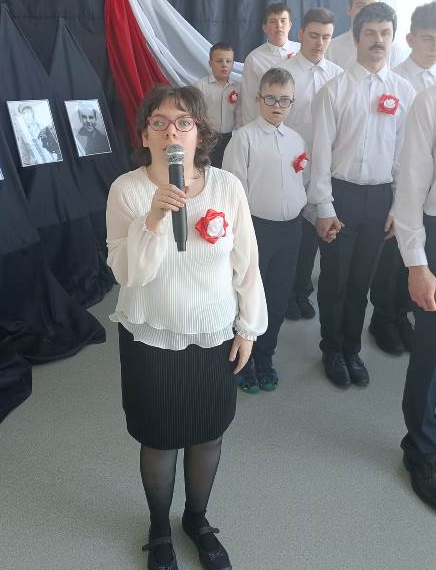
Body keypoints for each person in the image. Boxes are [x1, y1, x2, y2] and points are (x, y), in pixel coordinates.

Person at [106, 85, 267, 570]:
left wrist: (248, 328)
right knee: (159, 440)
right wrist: (154, 218)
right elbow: (128, 274)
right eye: (159, 123)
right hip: (151, 335)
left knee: (207, 435)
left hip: (213, 334)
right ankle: (159, 529)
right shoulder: (127, 190)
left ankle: (196, 520)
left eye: (184, 122)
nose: (171, 132)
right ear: (145, 135)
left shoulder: (226, 187)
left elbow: (247, 264)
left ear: (200, 133)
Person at [308, 2, 415, 388]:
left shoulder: (403, 91)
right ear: (356, 38)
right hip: (341, 196)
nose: (378, 40)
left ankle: (351, 349)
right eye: (370, 32)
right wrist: (323, 206)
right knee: (335, 278)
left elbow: (404, 156)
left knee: (362, 282)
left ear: (393, 38)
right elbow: (320, 154)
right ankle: (331, 348)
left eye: (385, 33)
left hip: (380, 199)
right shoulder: (334, 90)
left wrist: (398, 206)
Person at [223, 68, 307, 393]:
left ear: (292, 103)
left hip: (291, 230)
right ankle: (241, 360)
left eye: (285, 100)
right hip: (256, 229)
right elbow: (233, 193)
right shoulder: (243, 139)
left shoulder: (296, 139)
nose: (277, 106)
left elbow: (302, 182)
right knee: (248, 295)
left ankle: (264, 357)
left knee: (278, 296)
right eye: (270, 98)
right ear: (258, 99)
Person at [369, 1, 436, 354]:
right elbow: (386, 144)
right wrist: (397, 199)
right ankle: (382, 319)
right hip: (399, 185)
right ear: (410, 39)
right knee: (392, 262)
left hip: (430, 193)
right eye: (428, 39)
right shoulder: (394, 80)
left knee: (419, 259)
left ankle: (401, 316)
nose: (435, 47)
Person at [393, 83, 436, 511]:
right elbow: (410, 187)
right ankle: (422, 450)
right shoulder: (431, 101)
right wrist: (417, 264)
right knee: (431, 349)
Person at [281, 8, 342, 322]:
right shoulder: (284, 73)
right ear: (301, 33)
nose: (319, 43)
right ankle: (287, 292)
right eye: (314, 35)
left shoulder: (338, 75)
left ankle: (302, 289)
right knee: (292, 233)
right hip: (290, 166)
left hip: (325, 167)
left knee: (315, 233)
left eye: (326, 37)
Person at [238, 2, 300, 125]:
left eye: (283, 21)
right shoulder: (254, 58)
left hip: (299, 124)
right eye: (273, 21)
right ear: (265, 28)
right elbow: (249, 100)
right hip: (267, 125)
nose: (279, 25)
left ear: (290, 25)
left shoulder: (302, 52)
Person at [326, 0, 405, 70]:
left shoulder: (394, 51)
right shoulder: (331, 48)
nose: (367, 11)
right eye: (360, 6)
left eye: (373, 6)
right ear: (349, 9)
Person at [194, 42, 240, 167]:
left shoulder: (238, 87)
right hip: (207, 137)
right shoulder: (200, 86)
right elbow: (196, 115)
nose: (224, 65)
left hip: (230, 138)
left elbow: (240, 113)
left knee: (227, 168)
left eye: (228, 61)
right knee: (207, 168)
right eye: (219, 61)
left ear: (233, 64)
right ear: (210, 63)